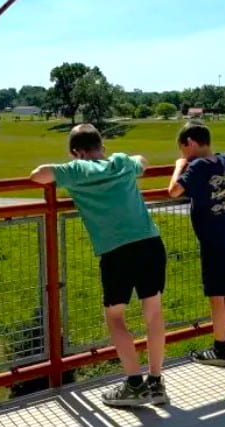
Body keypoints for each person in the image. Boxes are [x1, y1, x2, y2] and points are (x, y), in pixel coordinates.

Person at [30, 124, 168, 407]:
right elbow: (142, 160)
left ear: (76, 152)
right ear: (101, 147)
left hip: (116, 251)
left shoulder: (77, 170)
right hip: (150, 243)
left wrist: (72, 167)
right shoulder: (120, 161)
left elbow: (38, 175)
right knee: (153, 313)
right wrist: (120, 159)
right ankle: (156, 382)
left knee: (116, 317)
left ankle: (133, 384)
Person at [167, 122, 225, 367]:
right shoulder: (221, 162)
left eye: (183, 149)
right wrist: (223, 155)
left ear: (191, 143)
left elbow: (173, 191)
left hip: (213, 239)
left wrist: (178, 167)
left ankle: (220, 348)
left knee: (217, 295)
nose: (183, 154)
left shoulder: (196, 166)